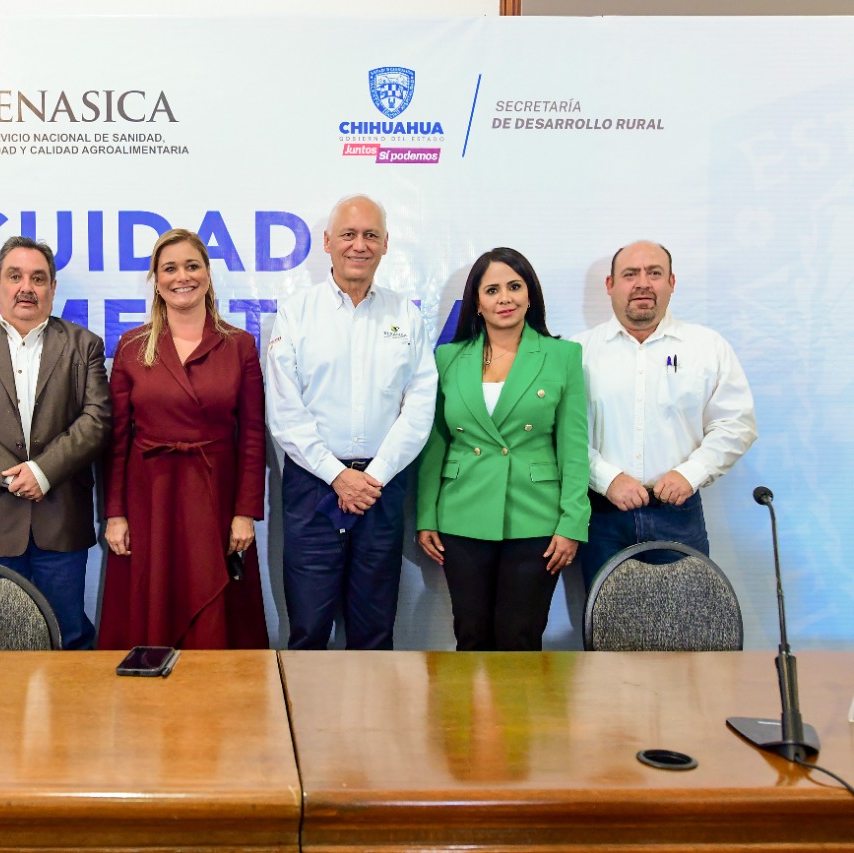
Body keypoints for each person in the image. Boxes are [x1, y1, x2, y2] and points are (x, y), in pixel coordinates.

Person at [265, 195, 437, 650]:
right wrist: (338, 476)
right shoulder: (297, 312)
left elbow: (420, 407)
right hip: (313, 486)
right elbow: (285, 410)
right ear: (327, 242)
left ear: (386, 244)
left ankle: (371, 703)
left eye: (370, 235)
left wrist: (372, 477)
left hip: (382, 488)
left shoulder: (406, 315)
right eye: (348, 234)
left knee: (375, 632)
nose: (359, 245)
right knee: (308, 630)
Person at [0, 236, 110, 650]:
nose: (26, 287)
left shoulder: (84, 345)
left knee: (68, 636)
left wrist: (42, 471)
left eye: (38, 278)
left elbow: (97, 419)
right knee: (1, 641)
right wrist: (11, 475)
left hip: (61, 516)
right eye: (15, 276)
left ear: (52, 288)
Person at [99, 229, 268, 649]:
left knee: (217, 616)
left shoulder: (240, 345)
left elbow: (252, 436)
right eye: (170, 268)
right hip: (150, 500)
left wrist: (245, 512)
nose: (182, 277)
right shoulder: (132, 346)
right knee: (152, 606)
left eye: (192, 266)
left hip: (215, 499)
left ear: (207, 274)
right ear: (156, 280)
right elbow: (117, 441)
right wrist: (115, 514)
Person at [416, 248, 589, 651]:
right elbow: (435, 443)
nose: (504, 298)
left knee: (520, 640)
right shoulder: (447, 358)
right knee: (471, 637)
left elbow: (573, 447)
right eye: (492, 290)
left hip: (536, 518)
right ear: (476, 302)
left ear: (530, 295)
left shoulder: (563, 356)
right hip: (461, 514)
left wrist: (572, 523)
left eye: (514, 286)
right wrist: (426, 515)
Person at [574, 240, 756, 589]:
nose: (642, 283)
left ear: (671, 282)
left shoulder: (707, 347)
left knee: (687, 618)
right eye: (630, 274)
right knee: (608, 621)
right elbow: (562, 432)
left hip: (679, 515)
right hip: (602, 515)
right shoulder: (577, 352)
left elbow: (736, 424)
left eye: (654, 273)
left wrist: (691, 473)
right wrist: (606, 478)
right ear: (610, 285)